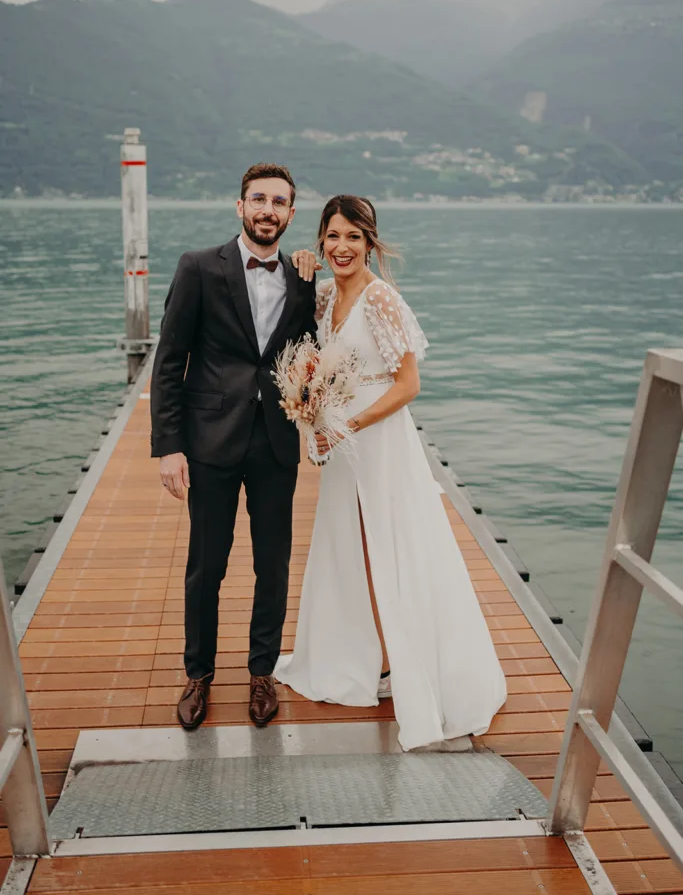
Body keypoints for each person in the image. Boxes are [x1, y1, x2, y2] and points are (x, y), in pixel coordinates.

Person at [275, 195, 507, 751]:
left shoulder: (381, 300)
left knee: (394, 546)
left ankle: (415, 668)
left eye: (353, 237)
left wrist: (345, 425)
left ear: (370, 242)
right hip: (343, 446)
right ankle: (356, 659)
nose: (341, 247)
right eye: (332, 236)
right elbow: (308, 348)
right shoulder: (326, 295)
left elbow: (408, 386)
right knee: (346, 546)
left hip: (378, 442)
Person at [150, 163, 319, 731]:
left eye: (279, 202)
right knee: (207, 565)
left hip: (275, 443)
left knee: (272, 565)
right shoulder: (198, 267)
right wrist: (168, 447)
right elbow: (169, 361)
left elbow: (309, 353)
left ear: (291, 214)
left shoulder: (303, 278)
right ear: (240, 206)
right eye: (258, 199)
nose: (268, 209)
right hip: (209, 441)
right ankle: (198, 674)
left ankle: (261, 673)